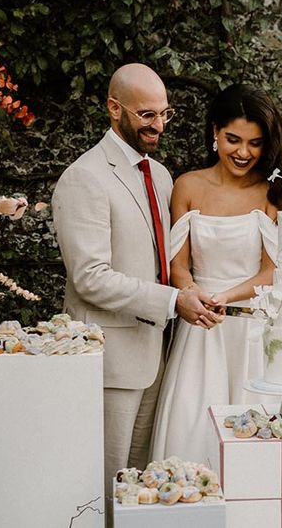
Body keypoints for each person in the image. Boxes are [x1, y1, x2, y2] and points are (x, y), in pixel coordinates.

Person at [51, 63, 220, 518]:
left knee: (139, 488)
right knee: (103, 488)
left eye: (165, 114)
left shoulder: (161, 176)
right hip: (108, 360)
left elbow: (163, 260)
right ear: (114, 109)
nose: (159, 125)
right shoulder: (83, 177)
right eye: (147, 114)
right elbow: (90, 276)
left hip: (155, 354)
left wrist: (193, 289)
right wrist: (171, 301)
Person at [149, 83, 282, 465]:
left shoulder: (274, 193)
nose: (244, 152)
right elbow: (177, 264)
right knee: (191, 427)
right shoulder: (188, 186)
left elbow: (271, 272)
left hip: (252, 332)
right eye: (234, 139)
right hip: (200, 329)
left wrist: (225, 298)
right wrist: (192, 294)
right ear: (215, 132)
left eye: (255, 143)